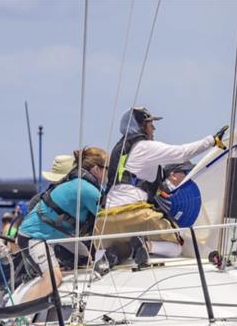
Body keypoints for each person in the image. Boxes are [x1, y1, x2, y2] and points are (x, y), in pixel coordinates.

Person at [96, 106, 227, 259]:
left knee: (105, 249)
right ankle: (145, 246)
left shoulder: (121, 151)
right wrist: (211, 141)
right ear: (140, 126)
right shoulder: (145, 147)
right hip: (134, 214)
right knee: (176, 247)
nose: (154, 128)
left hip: (105, 219)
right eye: (150, 124)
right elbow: (181, 153)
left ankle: (113, 255)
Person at [17, 147, 110, 302]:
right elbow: (109, 219)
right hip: (33, 237)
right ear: (96, 169)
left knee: (84, 259)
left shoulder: (81, 184)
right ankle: (17, 318)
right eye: (107, 168)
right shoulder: (87, 190)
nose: (110, 172)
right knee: (53, 280)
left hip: (55, 233)